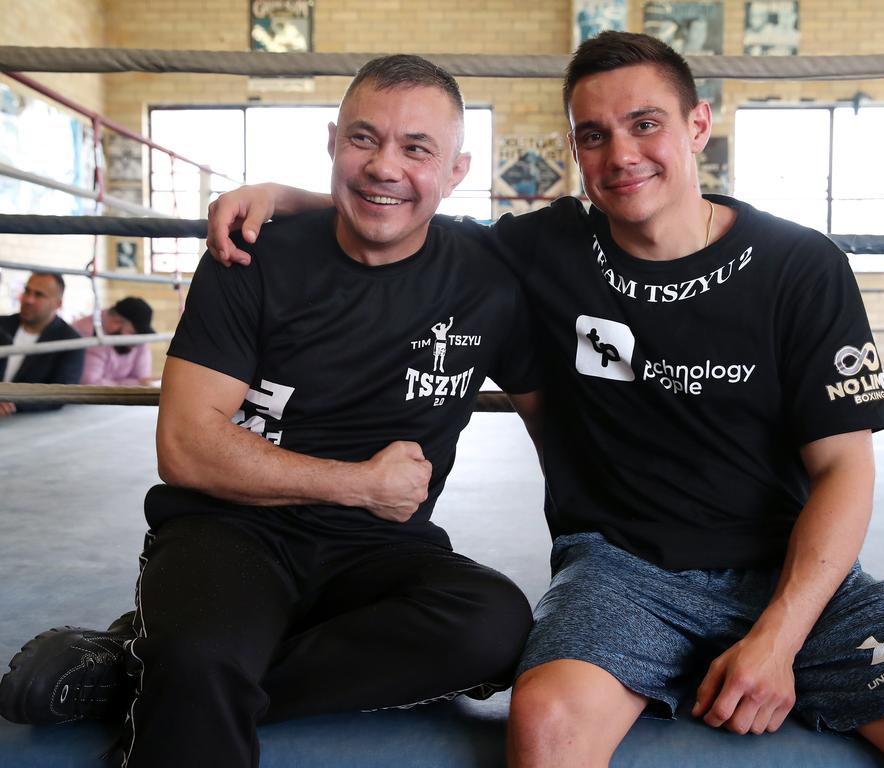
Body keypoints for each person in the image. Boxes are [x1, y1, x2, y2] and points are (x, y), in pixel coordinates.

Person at [203, 32, 884, 768]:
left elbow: (846, 466)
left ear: (697, 125)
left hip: (791, 570)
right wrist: (284, 195)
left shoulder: (799, 266)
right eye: (593, 135)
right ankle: (197, 681)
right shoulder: (544, 248)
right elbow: (402, 208)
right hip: (620, 569)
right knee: (547, 727)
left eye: (644, 124)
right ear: (574, 149)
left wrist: (777, 639)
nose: (620, 153)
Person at [0, 54, 542, 768]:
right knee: (202, 653)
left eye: (417, 149)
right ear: (331, 142)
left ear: (456, 171)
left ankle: (139, 676)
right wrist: (362, 484)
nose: (385, 165)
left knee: (495, 625)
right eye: (363, 139)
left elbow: (562, 423)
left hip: (377, 551)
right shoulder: (253, 253)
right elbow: (187, 447)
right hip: (231, 529)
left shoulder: (489, 275)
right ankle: (187, 670)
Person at [0, 271, 85, 416]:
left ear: (58, 304)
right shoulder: (2, 325)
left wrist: (11, 403)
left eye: (39, 295)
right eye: (27, 291)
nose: (28, 299)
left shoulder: (71, 342)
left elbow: (60, 394)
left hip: (27, 425)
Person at [72, 296, 157, 386]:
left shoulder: (139, 340)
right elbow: (90, 383)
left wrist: (135, 384)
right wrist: (135, 384)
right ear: (115, 322)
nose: (138, 341)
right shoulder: (89, 333)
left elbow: (143, 380)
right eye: (132, 332)